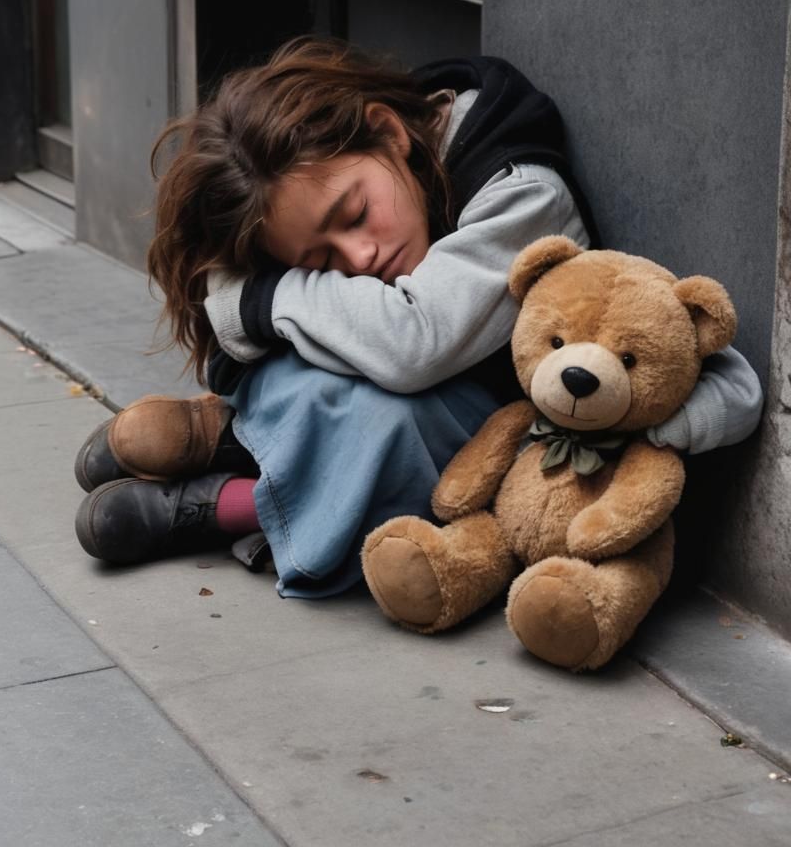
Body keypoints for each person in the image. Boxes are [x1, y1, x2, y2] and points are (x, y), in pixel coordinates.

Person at [73, 38, 763, 598]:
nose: (362, 254)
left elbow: (415, 342)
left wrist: (266, 299)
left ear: (388, 132)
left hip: (495, 437)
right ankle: (217, 436)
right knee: (332, 368)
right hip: (404, 396)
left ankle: (228, 500)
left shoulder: (520, 192)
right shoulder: (372, 208)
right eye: (319, 259)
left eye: (353, 214)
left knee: (389, 419)